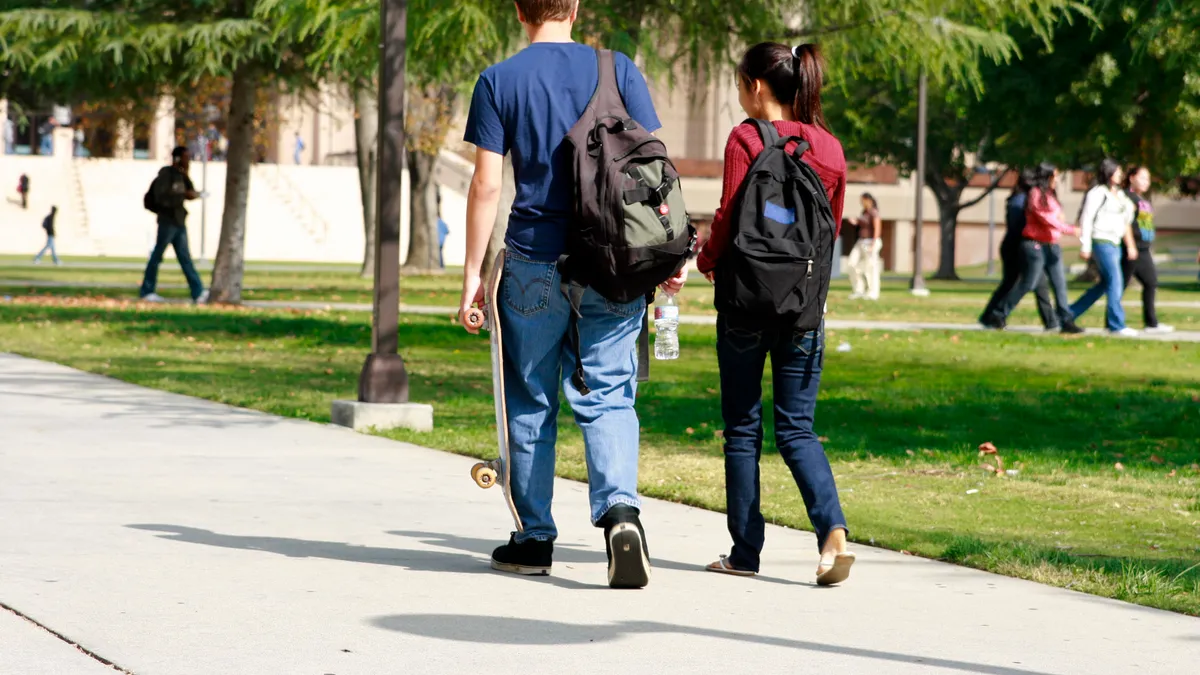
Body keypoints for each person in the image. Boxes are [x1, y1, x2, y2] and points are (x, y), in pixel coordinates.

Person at [457, 0, 686, 588]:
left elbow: (486, 184)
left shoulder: (498, 80)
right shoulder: (618, 69)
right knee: (610, 391)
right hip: (612, 260)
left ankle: (534, 538)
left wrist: (472, 280)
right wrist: (666, 254)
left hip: (532, 260)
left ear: (518, 10)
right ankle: (620, 516)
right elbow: (647, 172)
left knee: (530, 397)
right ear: (576, 7)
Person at [695, 42, 853, 585]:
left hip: (744, 302)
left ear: (756, 86)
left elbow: (728, 213)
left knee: (743, 428)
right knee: (797, 429)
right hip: (804, 309)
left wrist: (705, 259)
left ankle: (745, 552)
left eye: (740, 84)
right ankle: (831, 529)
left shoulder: (746, 137)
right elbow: (830, 230)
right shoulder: (830, 148)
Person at [983, 163, 1083, 333]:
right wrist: (1069, 229)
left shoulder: (1051, 195)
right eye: (1055, 176)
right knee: (1028, 283)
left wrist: (1062, 223)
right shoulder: (1035, 194)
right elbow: (1045, 218)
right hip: (1035, 245)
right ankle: (999, 313)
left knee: (1060, 284)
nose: (1057, 180)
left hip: (1052, 246)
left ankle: (1066, 320)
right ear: (1047, 177)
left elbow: (1057, 216)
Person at [1069, 158, 1139, 336]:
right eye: (1117, 171)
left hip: (1115, 243)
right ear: (1108, 172)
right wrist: (1085, 245)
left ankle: (1068, 313)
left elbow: (1126, 219)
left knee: (1105, 285)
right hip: (1101, 241)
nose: (1120, 174)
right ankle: (1117, 325)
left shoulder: (1120, 195)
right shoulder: (1097, 193)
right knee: (1116, 281)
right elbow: (1087, 218)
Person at [980, 169, 1057, 330]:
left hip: (1022, 246)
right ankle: (994, 315)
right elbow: (1017, 228)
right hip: (1016, 247)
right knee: (1018, 283)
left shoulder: (1023, 199)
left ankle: (1051, 322)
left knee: (1038, 284)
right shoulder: (1020, 201)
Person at [140, 146, 208, 304]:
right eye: (185, 157)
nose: (188, 161)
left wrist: (188, 188)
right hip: (167, 221)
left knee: (185, 258)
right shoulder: (166, 175)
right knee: (157, 256)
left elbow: (189, 191)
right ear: (177, 158)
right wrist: (180, 195)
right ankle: (147, 290)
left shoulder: (181, 175)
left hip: (178, 222)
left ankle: (197, 292)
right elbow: (162, 196)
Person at [1121, 166, 1173, 333]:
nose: (1146, 182)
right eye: (1142, 178)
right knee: (1119, 286)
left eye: (1148, 179)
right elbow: (1125, 223)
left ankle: (1151, 323)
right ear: (1131, 178)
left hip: (1144, 248)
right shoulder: (1126, 198)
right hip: (1132, 248)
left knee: (1150, 282)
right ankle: (1114, 322)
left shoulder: (1141, 199)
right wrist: (1130, 246)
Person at [847, 193, 882, 300]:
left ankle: (873, 292)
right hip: (861, 241)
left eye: (862, 200)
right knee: (851, 264)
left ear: (868, 200)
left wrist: (873, 244)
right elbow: (862, 223)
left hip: (871, 242)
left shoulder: (874, 212)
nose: (861, 202)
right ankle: (859, 289)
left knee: (870, 268)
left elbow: (877, 228)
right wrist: (856, 221)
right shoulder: (864, 212)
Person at [436, 189, 450, 269]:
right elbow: (447, 231)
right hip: (441, 241)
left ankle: (441, 266)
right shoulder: (441, 222)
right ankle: (441, 266)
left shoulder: (438, 222)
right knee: (440, 254)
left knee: (439, 254)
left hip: (439, 241)